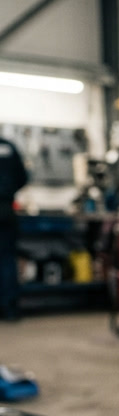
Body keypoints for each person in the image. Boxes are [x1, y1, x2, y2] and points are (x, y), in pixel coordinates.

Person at [0, 137, 28, 322]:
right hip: (6, 209)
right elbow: (23, 177)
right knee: (8, 259)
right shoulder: (9, 147)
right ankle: (10, 309)